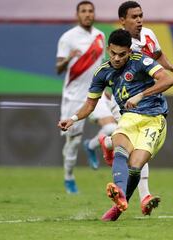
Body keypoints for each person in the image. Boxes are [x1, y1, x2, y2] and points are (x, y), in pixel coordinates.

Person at [57, 29, 173, 221]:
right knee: (121, 149)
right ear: (108, 50)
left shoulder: (141, 61)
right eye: (113, 53)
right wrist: (73, 119)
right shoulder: (103, 72)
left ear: (129, 51)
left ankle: (118, 207)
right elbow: (90, 104)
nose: (117, 58)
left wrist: (141, 95)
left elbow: (168, 79)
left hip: (154, 120)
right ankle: (118, 190)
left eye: (122, 54)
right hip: (129, 117)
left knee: (135, 167)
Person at [96, 0, 173, 215]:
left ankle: (106, 143)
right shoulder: (121, 46)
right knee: (132, 146)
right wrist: (108, 92)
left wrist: (170, 65)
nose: (139, 20)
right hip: (126, 100)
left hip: (147, 101)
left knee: (135, 148)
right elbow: (108, 71)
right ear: (122, 21)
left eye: (141, 15)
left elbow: (157, 54)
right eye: (134, 17)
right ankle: (143, 195)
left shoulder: (149, 35)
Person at [56, 1, 117, 193]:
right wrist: (69, 58)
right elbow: (58, 68)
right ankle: (69, 178)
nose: (88, 14)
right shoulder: (68, 38)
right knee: (72, 142)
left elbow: (101, 65)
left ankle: (91, 146)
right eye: (83, 11)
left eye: (90, 11)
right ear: (77, 15)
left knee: (112, 128)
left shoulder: (100, 35)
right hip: (74, 96)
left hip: (94, 94)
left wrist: (104, 86)